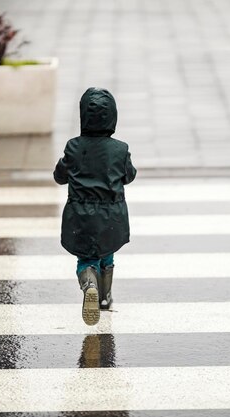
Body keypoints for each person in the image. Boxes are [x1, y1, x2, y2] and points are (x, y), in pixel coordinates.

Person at [53, 87, 137, 326]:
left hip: (80, 215)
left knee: (86, 257)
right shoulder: (120, 149)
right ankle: (104, 297)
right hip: (111, 215)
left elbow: (60, 176)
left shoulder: (73, 147)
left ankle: (88, 282)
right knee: (106, 252)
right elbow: (129, 176)